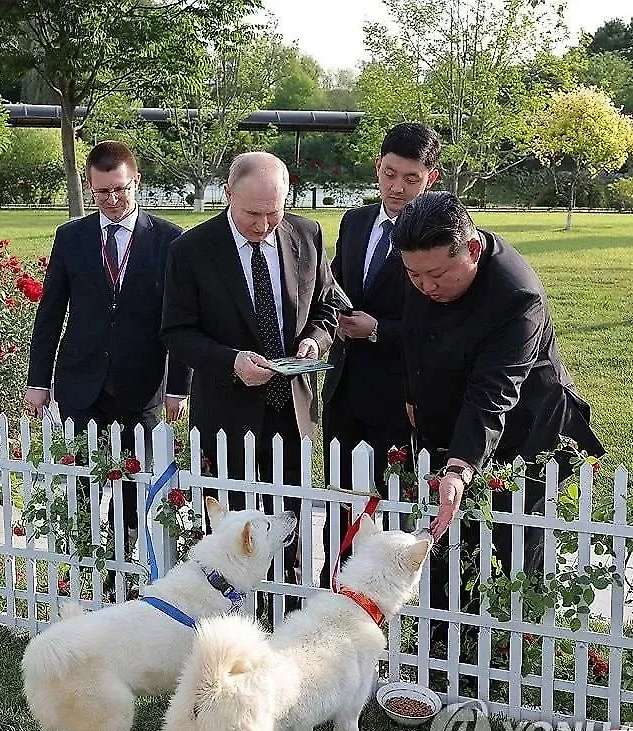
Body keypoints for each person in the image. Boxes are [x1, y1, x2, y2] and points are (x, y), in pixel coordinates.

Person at [393, 191, 605, 646]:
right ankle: (444, 642)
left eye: (437, 276)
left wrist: (460, 467)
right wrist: (414, 393)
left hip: (525, 434)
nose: (425, 287)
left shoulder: (516, 296)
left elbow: (494, 392)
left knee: (509, 547)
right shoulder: (423, 263)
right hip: (453, 419)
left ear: (471, 250)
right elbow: (415, 334)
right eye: (413, 275)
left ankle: (506, 647)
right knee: (449, 541)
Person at [161, 151, 338, 590]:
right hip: (226, 413)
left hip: (291, 412)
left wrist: (314, 339)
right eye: (252, 214)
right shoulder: (191, 250)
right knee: (231, 531)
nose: (263, 225)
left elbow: (329, 306)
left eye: (273, 212)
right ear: (227, 195)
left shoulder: (306, 234)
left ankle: (287, 609)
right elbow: (177, 333)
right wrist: (231, 361)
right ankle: (234, 610)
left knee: (289, 523)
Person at [25, 141, 190, 547]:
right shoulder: (71, 238)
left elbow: (183, 320)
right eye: (102, 191)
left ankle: (126, 562)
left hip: (142, 386)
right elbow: (50, 314)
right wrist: (38, 379)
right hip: (81, 383)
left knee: (134, 486)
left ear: (136, 181)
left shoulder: (170, 240)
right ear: (89, 186)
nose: (113, 200)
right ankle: (85, 563)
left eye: (121, 189)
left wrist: (177, 387)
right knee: (79, 482)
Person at [319, 122, 441, 588]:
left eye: (411, 178)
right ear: (378, 168)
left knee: (392, 504)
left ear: (430, 178)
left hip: (400, 389)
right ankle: (337, 585)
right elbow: (333, 284)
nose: (397, 187)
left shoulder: (438, 233)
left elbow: (440, 318)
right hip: (344, 385)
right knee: (341, 498)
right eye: (390, 174)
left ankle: (386, 596)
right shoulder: (355, 221)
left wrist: (378, 331)